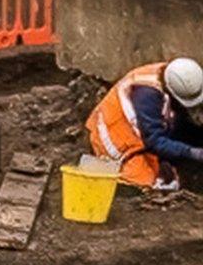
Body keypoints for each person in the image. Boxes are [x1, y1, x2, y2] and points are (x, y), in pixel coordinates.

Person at [87, 56, 203, 190]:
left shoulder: (179, 75)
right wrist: (192, 152)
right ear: (172, 93)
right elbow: (155, 141)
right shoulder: (147, 96)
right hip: (117, 135)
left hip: (144, 123)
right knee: (153, 184)